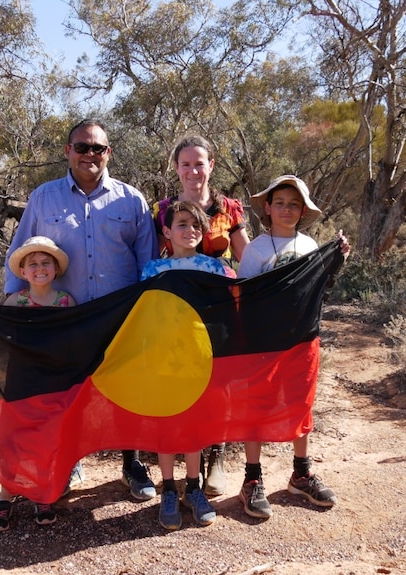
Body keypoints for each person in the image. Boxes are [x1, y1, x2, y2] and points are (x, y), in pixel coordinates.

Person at [4, 119, 159, 502]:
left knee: (126, 391)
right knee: (66, 391)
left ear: (109, 153)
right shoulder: (43, 198)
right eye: (82, 147)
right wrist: (13, 309)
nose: (90, 154)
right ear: (67, 151)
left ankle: (132, 462)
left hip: (120, 316)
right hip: (64, 316)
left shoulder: (131, 200)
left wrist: (151, 311)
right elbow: (21, 252)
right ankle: (69, 459)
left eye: (98, 148)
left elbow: (148, 262)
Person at [236, 174, 350, 519]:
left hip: (301, 341)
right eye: (280, 203)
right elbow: (244, 297)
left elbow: (319, 291)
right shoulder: (256, 249)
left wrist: (337, 260)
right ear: (267, 208)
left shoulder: (310, 246)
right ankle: (252, 480)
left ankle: (301, 473)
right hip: (263, 344)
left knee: (301, 403)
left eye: (294, 204)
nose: (286, 209)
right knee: (256, 407)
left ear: (303, 211)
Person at [0, 236, 75, 530]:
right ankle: (6, 495)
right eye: (32, 264)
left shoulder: (66, 302)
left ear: (56, 269)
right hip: (19, 382)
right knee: (13, 438)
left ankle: (41, 494)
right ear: (22, 272)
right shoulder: (15, 301)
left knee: (46, 439)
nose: (39, 268)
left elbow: (77, 338)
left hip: (53, 383)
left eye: (46, 263)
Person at [153, 134, 251, 496]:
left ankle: (217, 456)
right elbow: (154, 257)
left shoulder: (229, 208)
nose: (193, 170)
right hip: (179, 310)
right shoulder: (163, 210)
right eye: (186, 164)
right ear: (177, 169)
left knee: (220, 381)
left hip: (221, 305)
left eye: (200, 163)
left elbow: (248, 257)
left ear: (211, 165)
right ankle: (183, 455)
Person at [141, 201, 226, 530]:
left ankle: (193, 488)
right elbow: (144, 317)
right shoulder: (153, 271)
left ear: (203, 231)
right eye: (181, 224)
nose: (189, 230)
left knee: (192, 427)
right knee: (166, 426)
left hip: (199, 362)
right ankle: (168, 489)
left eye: (195, 225)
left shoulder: (214, 268)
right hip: (163, 362)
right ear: (166, 231)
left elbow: (227, 309)